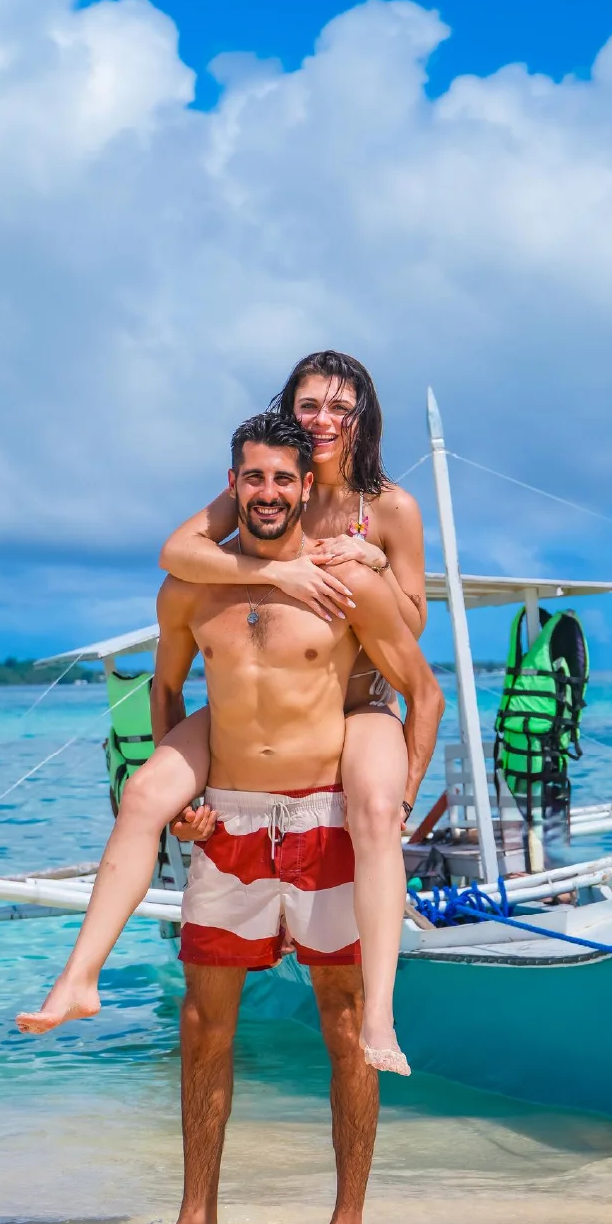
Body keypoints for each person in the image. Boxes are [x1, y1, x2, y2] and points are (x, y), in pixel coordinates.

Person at [21, 414, 443, 1224]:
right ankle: (195, 1218)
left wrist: (394, 800)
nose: (270, 493)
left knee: (346, 1021)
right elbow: (169, 693)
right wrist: (186, 799)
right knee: (204, 1022)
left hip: (323, 816)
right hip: (232, 824)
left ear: (305, 487)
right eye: (255, 478)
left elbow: (420, 687)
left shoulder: (344, 584)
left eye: (285, 479)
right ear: (232, 486)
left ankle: (347, 1221)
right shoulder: (190, 588)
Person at [160, 350, 428, 1068]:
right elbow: (180, 553)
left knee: (375, 815)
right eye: (311, 405)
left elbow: (412, 628)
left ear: (363, 418)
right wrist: (280, 568)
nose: (324, 420)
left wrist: (366, 563)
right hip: (270, 715)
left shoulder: (391, 508)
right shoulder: (275, 484)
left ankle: (382, 1012)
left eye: (342, 408)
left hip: (357, 702)